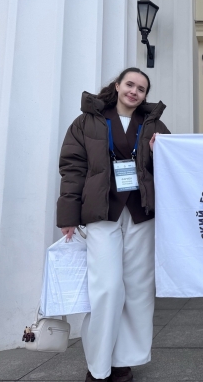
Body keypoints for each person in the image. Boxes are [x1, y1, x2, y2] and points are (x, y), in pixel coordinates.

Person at [57, 67, 169, 382]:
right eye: (130, 84)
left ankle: (123, 361)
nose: (134, 91)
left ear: (145, 95)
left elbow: (172, 165)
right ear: (117, 86)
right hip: (101, 212)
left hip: (140, 213)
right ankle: (98, 366)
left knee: (137, 289)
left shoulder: (154, 125)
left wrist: (158, 152)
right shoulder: (86, 122)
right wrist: (68, 215)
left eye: (141, 89)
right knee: (106, 288)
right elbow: (73, 168)